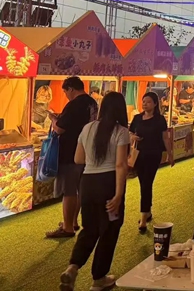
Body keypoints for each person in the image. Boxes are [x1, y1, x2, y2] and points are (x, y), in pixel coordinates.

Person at [59, 91, 129, 291]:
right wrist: (118, 194)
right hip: (108, 183)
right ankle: (99, 278)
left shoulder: (87, 128)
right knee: (109, 230)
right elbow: (120, 165)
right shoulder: (121, 131)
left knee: (89, 228)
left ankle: (73, 267)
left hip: (88, 183)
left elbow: (78, 159)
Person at [46, 76, 98, 239]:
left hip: (70, 152)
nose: (66, 95)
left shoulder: (74, 104)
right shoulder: (92, 103)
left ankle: (67, 227)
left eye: (65, 91)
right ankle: (74, 221)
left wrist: (53, 119)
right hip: (86, 151)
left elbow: (60, 129)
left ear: (71, 89)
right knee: (79, 188)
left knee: (69, 190)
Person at [129, 92, 171, 232]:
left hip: (154, 155)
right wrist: (133, 137)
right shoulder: (137, 118)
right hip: (139, 155)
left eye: (148, 102)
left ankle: (143, 219)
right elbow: (129, 132)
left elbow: (165, 138)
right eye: (143, 101)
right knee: (144, 184)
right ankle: (147, 212)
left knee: (146, 183)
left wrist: (170, 154)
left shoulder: (160, 119)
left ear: (155, 104)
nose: (145, 104)